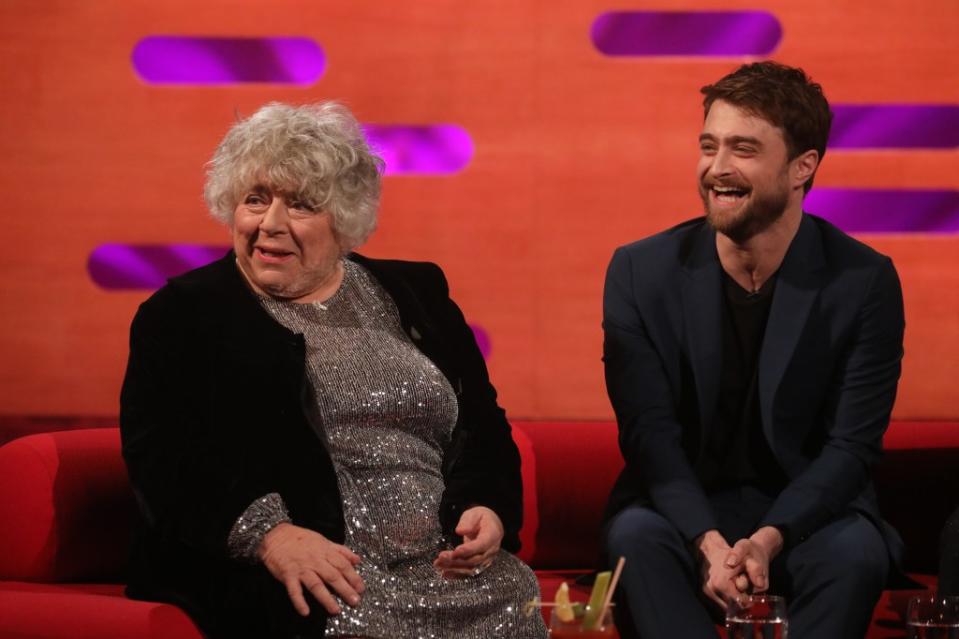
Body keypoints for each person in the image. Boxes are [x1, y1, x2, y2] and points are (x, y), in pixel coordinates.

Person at [120, 101, 547, 639]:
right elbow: (162, 455)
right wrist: (272, 538)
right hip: (302, 564)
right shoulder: (184, 314)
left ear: (344, 219)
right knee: (334, 609)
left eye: (300, 205)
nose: (269, 224)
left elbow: (483, 426)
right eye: (255, 200)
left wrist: (488, 507)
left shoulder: (418, 292)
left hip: (442, 563)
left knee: (515, 594)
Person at [601, 61, 905, 638]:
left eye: (743, 149)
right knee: (634, 540)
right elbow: (649, 435)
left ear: (802, 167)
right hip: (680, 513)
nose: (717, 169)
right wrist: (710, 542)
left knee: (858, 553)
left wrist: (769, 537)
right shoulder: (640, 272)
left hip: (808, 519)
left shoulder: (862, 281)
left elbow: (851, 446)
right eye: (708, 146)